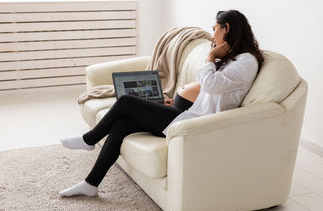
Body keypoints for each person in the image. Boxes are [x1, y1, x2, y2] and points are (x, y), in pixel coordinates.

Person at [59, 10, 264, 197]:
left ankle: (89, 140)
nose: (212, 36)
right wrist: (175, 104)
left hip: (194, 123)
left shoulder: (246, 62)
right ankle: (90, 184)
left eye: (214, 29)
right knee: (120, 125)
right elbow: (207, 93)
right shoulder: (233, 59)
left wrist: (210, 55)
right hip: (187, 112)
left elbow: (210, 85)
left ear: (226, 28)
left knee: (125, 102)